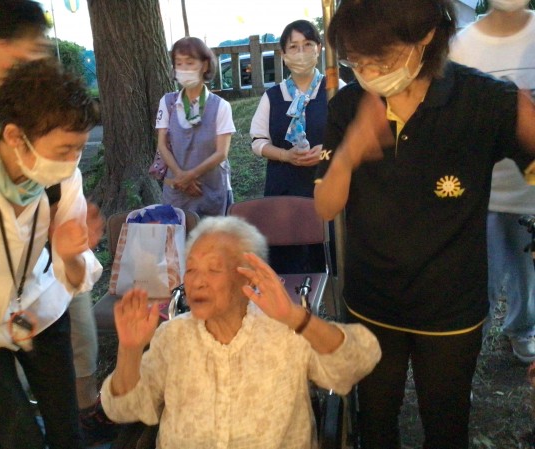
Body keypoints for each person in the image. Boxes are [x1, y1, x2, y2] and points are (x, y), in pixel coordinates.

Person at [313, 0, 535, 447]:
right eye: (356, 61)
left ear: (427, 35)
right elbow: (325, 206)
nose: (369, 72)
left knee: (447, 423)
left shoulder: (486, 101)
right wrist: (350, 153)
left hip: (451, 306)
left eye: (382, 59)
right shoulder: (348, 106)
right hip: (371, 301)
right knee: (376, 420)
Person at [0, 0, 113, 444]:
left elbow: (75, 278)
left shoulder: (62, 179)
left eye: (79, 148)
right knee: (17, 434)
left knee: (67, 429)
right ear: (14, 136)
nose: (73, 162)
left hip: (40, 309)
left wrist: (70, 255)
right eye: (64, 150)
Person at [100, 215, 381, 449]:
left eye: (214, 270)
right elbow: (125, 409)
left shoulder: (286, 331)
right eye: (192, 269)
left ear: (247, 276)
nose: (197, 282)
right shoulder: (172, 336)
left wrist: (297, 317)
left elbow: (358, 362)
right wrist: (130, 350)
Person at [449, 0, 535, 363]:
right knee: (476, 280)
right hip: (478, 193)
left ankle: (522, 329)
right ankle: (466, 347)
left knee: (525, 274)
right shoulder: (460, 46)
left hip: (529, 192)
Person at [249, 20, 342, 273]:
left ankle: (330, 297)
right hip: (284, 190)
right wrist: (285, 155)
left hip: (327, 188)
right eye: (293, 47)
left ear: (319, 48)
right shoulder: (272, 96)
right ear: (283, 54)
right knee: (287, 262)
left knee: (331, 258)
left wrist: (327, 150)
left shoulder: (335, 90)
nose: (301, 52)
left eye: (308, 44)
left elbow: (350, 139)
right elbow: (258, 142)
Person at [156, 36, 235, 217]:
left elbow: (221, 153)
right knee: (177, 232)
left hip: (211, 189)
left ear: (205, 65)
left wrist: (190, 175)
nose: (184, 69)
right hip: (176, 190)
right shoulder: (167, 102)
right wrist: (181, 177)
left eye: (190, 63)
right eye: (179, 63)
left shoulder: (221, 106)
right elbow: (162, 145)